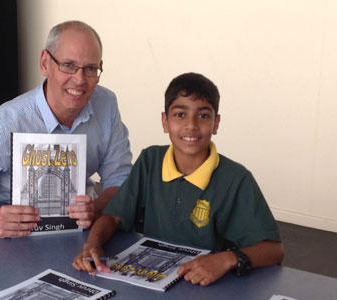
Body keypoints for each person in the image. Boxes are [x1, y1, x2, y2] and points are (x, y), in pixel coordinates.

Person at [72, 73, 284, 286]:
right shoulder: (150, 161)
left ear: (216, 123)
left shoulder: (236, 179)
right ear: (165, 121)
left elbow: (275, 250)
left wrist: (226, 259)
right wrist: (92, 244)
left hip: (205, 286)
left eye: (203, 116)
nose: (191, 125)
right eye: (180, 114)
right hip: (151, 282)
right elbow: (113, 216)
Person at [0, 20, 132, 238]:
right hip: (19, 243)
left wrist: (96, 208)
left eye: (91, 69)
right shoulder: (4, 126)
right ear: (45, 63)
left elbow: (119, 179)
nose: (80, 79)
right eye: (68, 65)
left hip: (84, 235)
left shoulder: (106, 104)